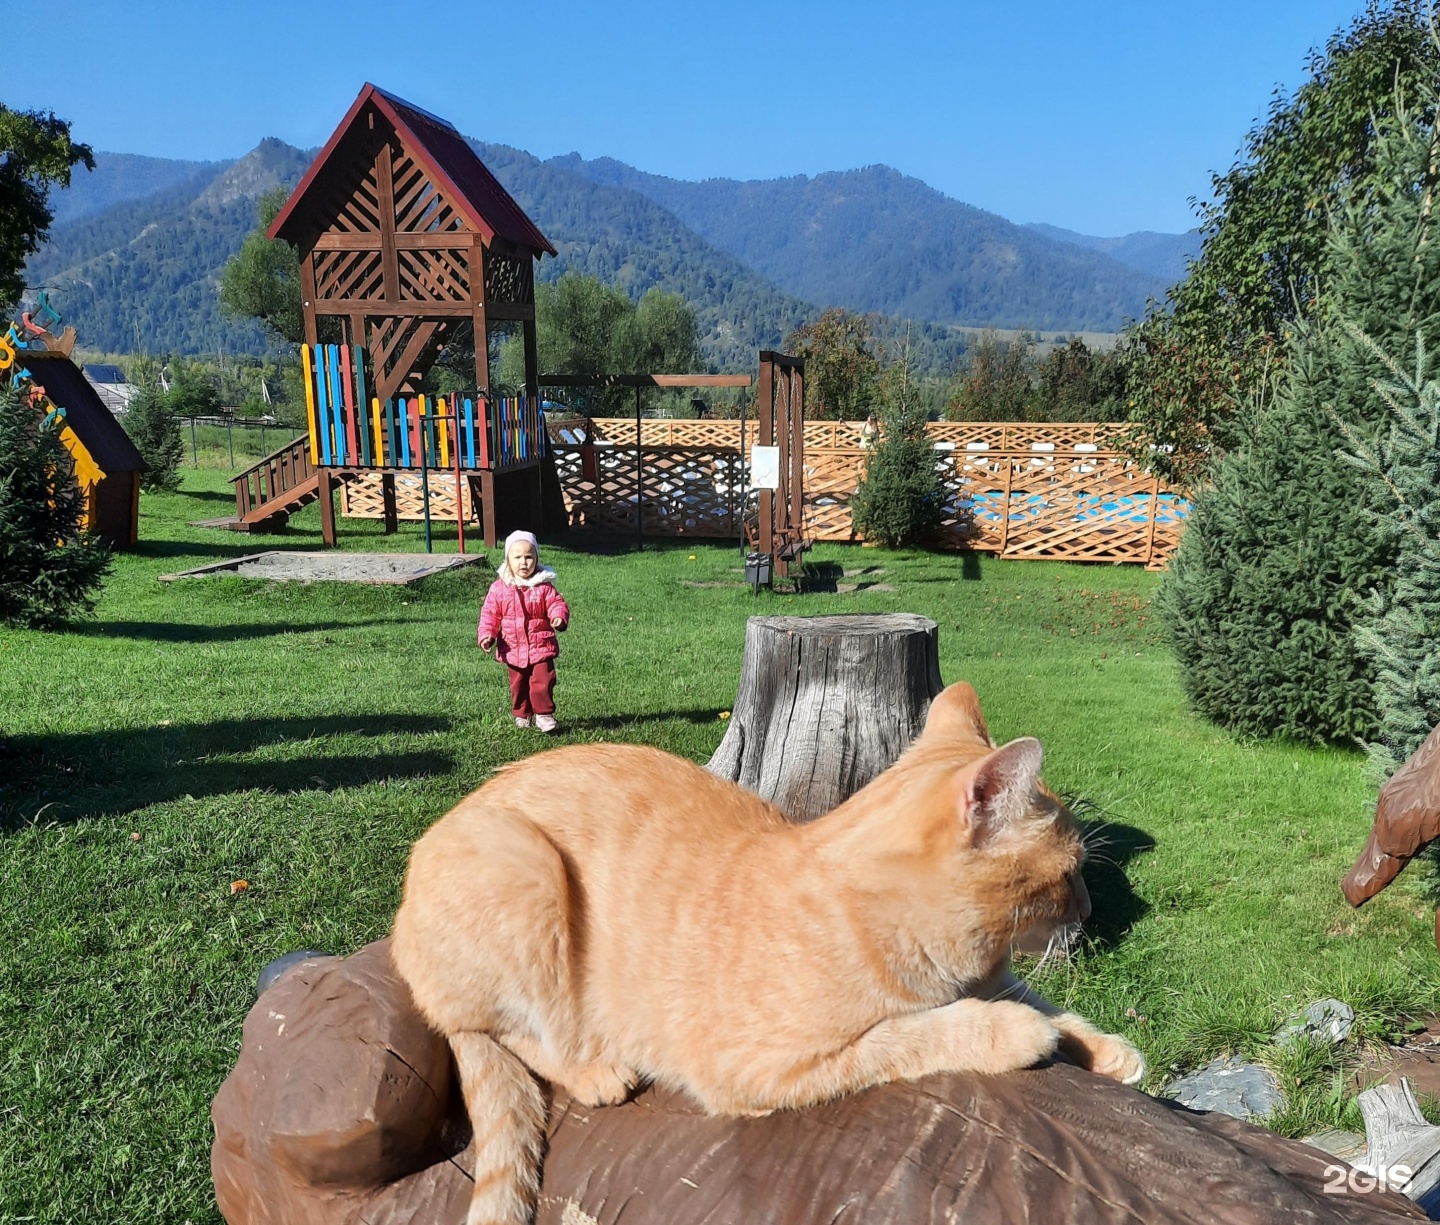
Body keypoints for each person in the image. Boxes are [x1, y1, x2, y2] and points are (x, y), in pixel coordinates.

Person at [478, 531, 570, 732]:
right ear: (508, 560)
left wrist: (558, 617)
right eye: (517, 557)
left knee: (543, 681)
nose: (524, 562)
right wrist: (487, 634)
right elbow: (490, 613)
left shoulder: (543, 587)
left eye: (529, 557)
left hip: (541, 645)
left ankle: (544, 714)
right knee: (518, 684)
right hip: (513, 647)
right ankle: (522, 714)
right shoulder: (500, 588)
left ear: (536, 558)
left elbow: (556, 603)